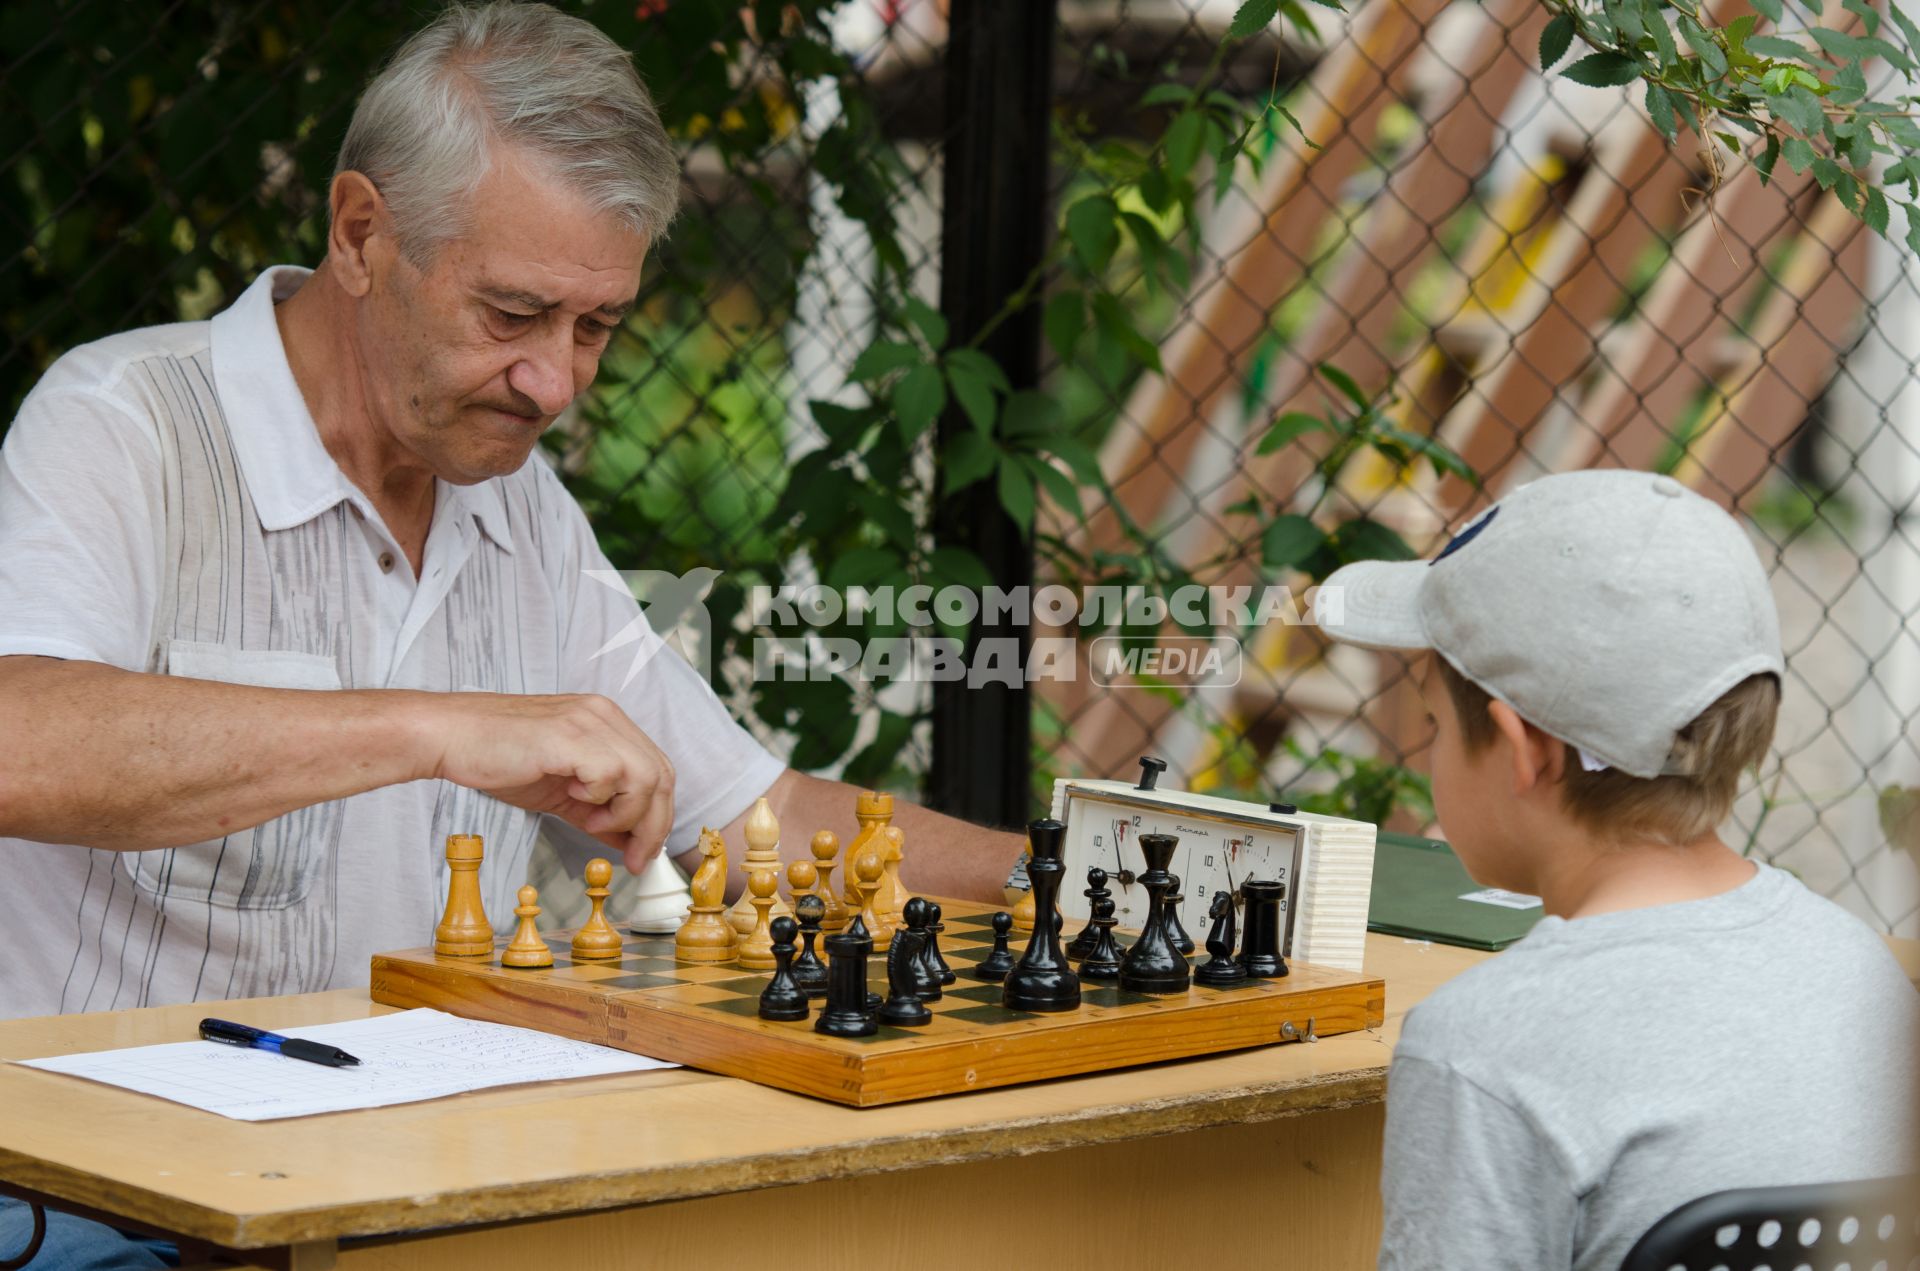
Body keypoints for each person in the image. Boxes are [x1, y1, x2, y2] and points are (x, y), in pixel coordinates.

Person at [0, 0, 1016, 1030]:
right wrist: (439, 727)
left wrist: (1063, 874)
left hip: (411, 1160)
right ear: (360, 236)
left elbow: (754, 819)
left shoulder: (519, 503)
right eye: (513, 314)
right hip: (98, 1177)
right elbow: (21, 742)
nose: (553, 383)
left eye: (597, 326)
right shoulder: (126, 424)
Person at [1313, 469, 1918, 1270]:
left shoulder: (1484, 1048)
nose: (1429, 745)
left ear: (1523, 751)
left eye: (1433, 722)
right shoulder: (1862, 974)